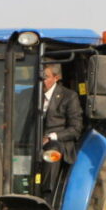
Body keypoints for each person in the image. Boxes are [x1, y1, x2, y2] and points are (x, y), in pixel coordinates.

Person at [40, 63, 82, 193]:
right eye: (39, 77)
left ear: (56, 77)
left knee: (52, 151)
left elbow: (76, 129)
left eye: (45, 77)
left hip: (59, 142)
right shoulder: (28, 94)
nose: (41, 81)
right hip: (32, 140)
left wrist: (51, 137)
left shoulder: (69, 96)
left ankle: (46, 193)